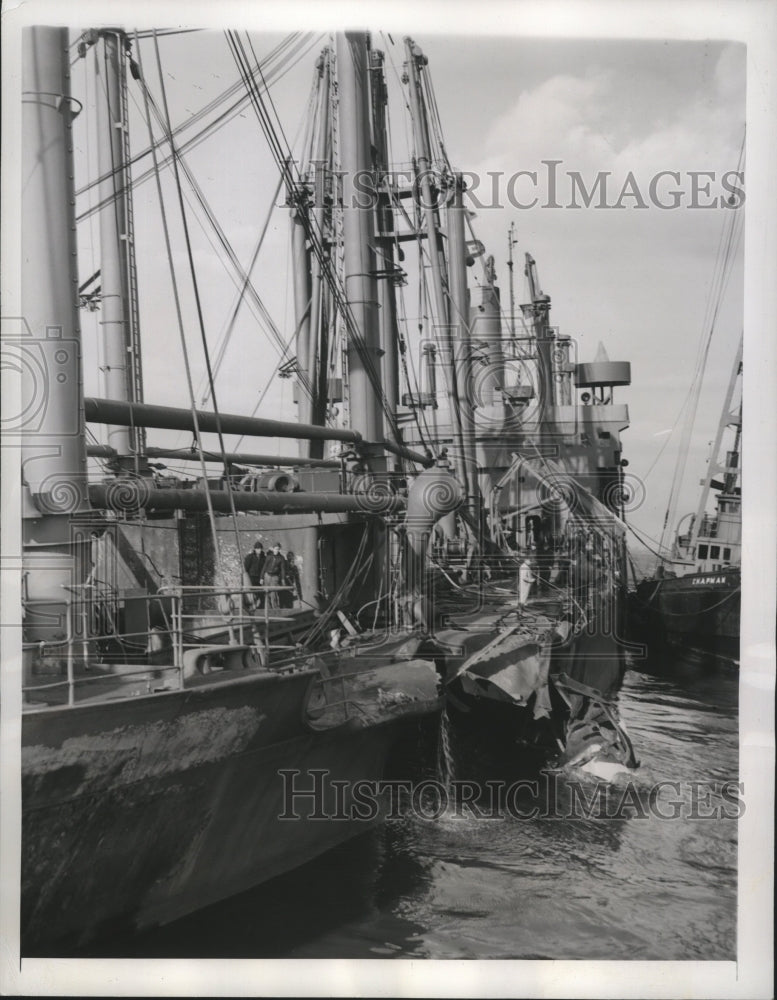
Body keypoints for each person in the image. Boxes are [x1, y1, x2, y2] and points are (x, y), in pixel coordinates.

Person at [262, 543, 286, 609]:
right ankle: (268, 609)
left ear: (279, 549)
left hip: (274, 577)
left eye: (278, 549)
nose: (276, 550)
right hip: (267, 575)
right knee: (266, 593)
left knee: (273, 594)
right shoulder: (269, 556)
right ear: (273, 549)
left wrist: (283, 579)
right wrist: (261, 578)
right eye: (275, 549)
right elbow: (264, 567)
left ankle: (275, 609)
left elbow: (282, 569)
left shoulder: (281, 558)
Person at [243, 541, 265, 609]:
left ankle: (260, 608)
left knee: (260, 594)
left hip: (259, 578)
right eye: (258, 549)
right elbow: (246, 567)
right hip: (251, 577)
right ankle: (250, 607)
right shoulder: (250, 557)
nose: (259, 550)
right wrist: (247, 577)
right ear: (255, 549)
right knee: (252, 594)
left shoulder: (263, 557)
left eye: (260, 548)